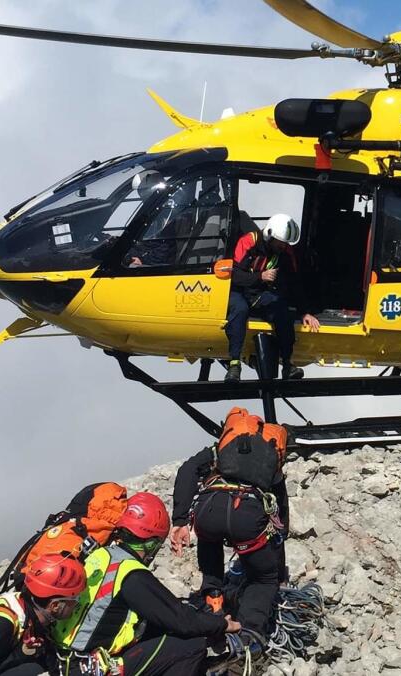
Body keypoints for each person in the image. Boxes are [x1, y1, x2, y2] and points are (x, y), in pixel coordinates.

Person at [51, 492, 244, 676]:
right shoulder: (132, 574)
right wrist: (222, 624)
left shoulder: (100, 555)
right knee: (192, 645)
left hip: (63, 660)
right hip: (89, 667)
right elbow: (182, 621)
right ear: (151, 543)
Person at [169, 409, 291, 651]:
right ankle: (248, 638)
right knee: (263, 579)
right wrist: (279, 556)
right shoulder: (270, 452)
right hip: (247, 515)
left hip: (209, 510)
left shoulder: (220, 448)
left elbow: (187, 470)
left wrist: (180, 520)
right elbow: (280, 506)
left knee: (210, 540)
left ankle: (214, 597)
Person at [224, 213, 320, 382]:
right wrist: (260, 277)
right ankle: (234, 364)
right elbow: (233, 274)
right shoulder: (249, 242)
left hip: (259, 294)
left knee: (282, 311)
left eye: (285, 243)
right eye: (280, 242)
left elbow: (294, 283)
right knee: (240, 310)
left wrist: (305, 312)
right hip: (238, 291)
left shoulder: (285, 252)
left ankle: (287, 364)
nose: (283, 246)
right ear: (269, 235)